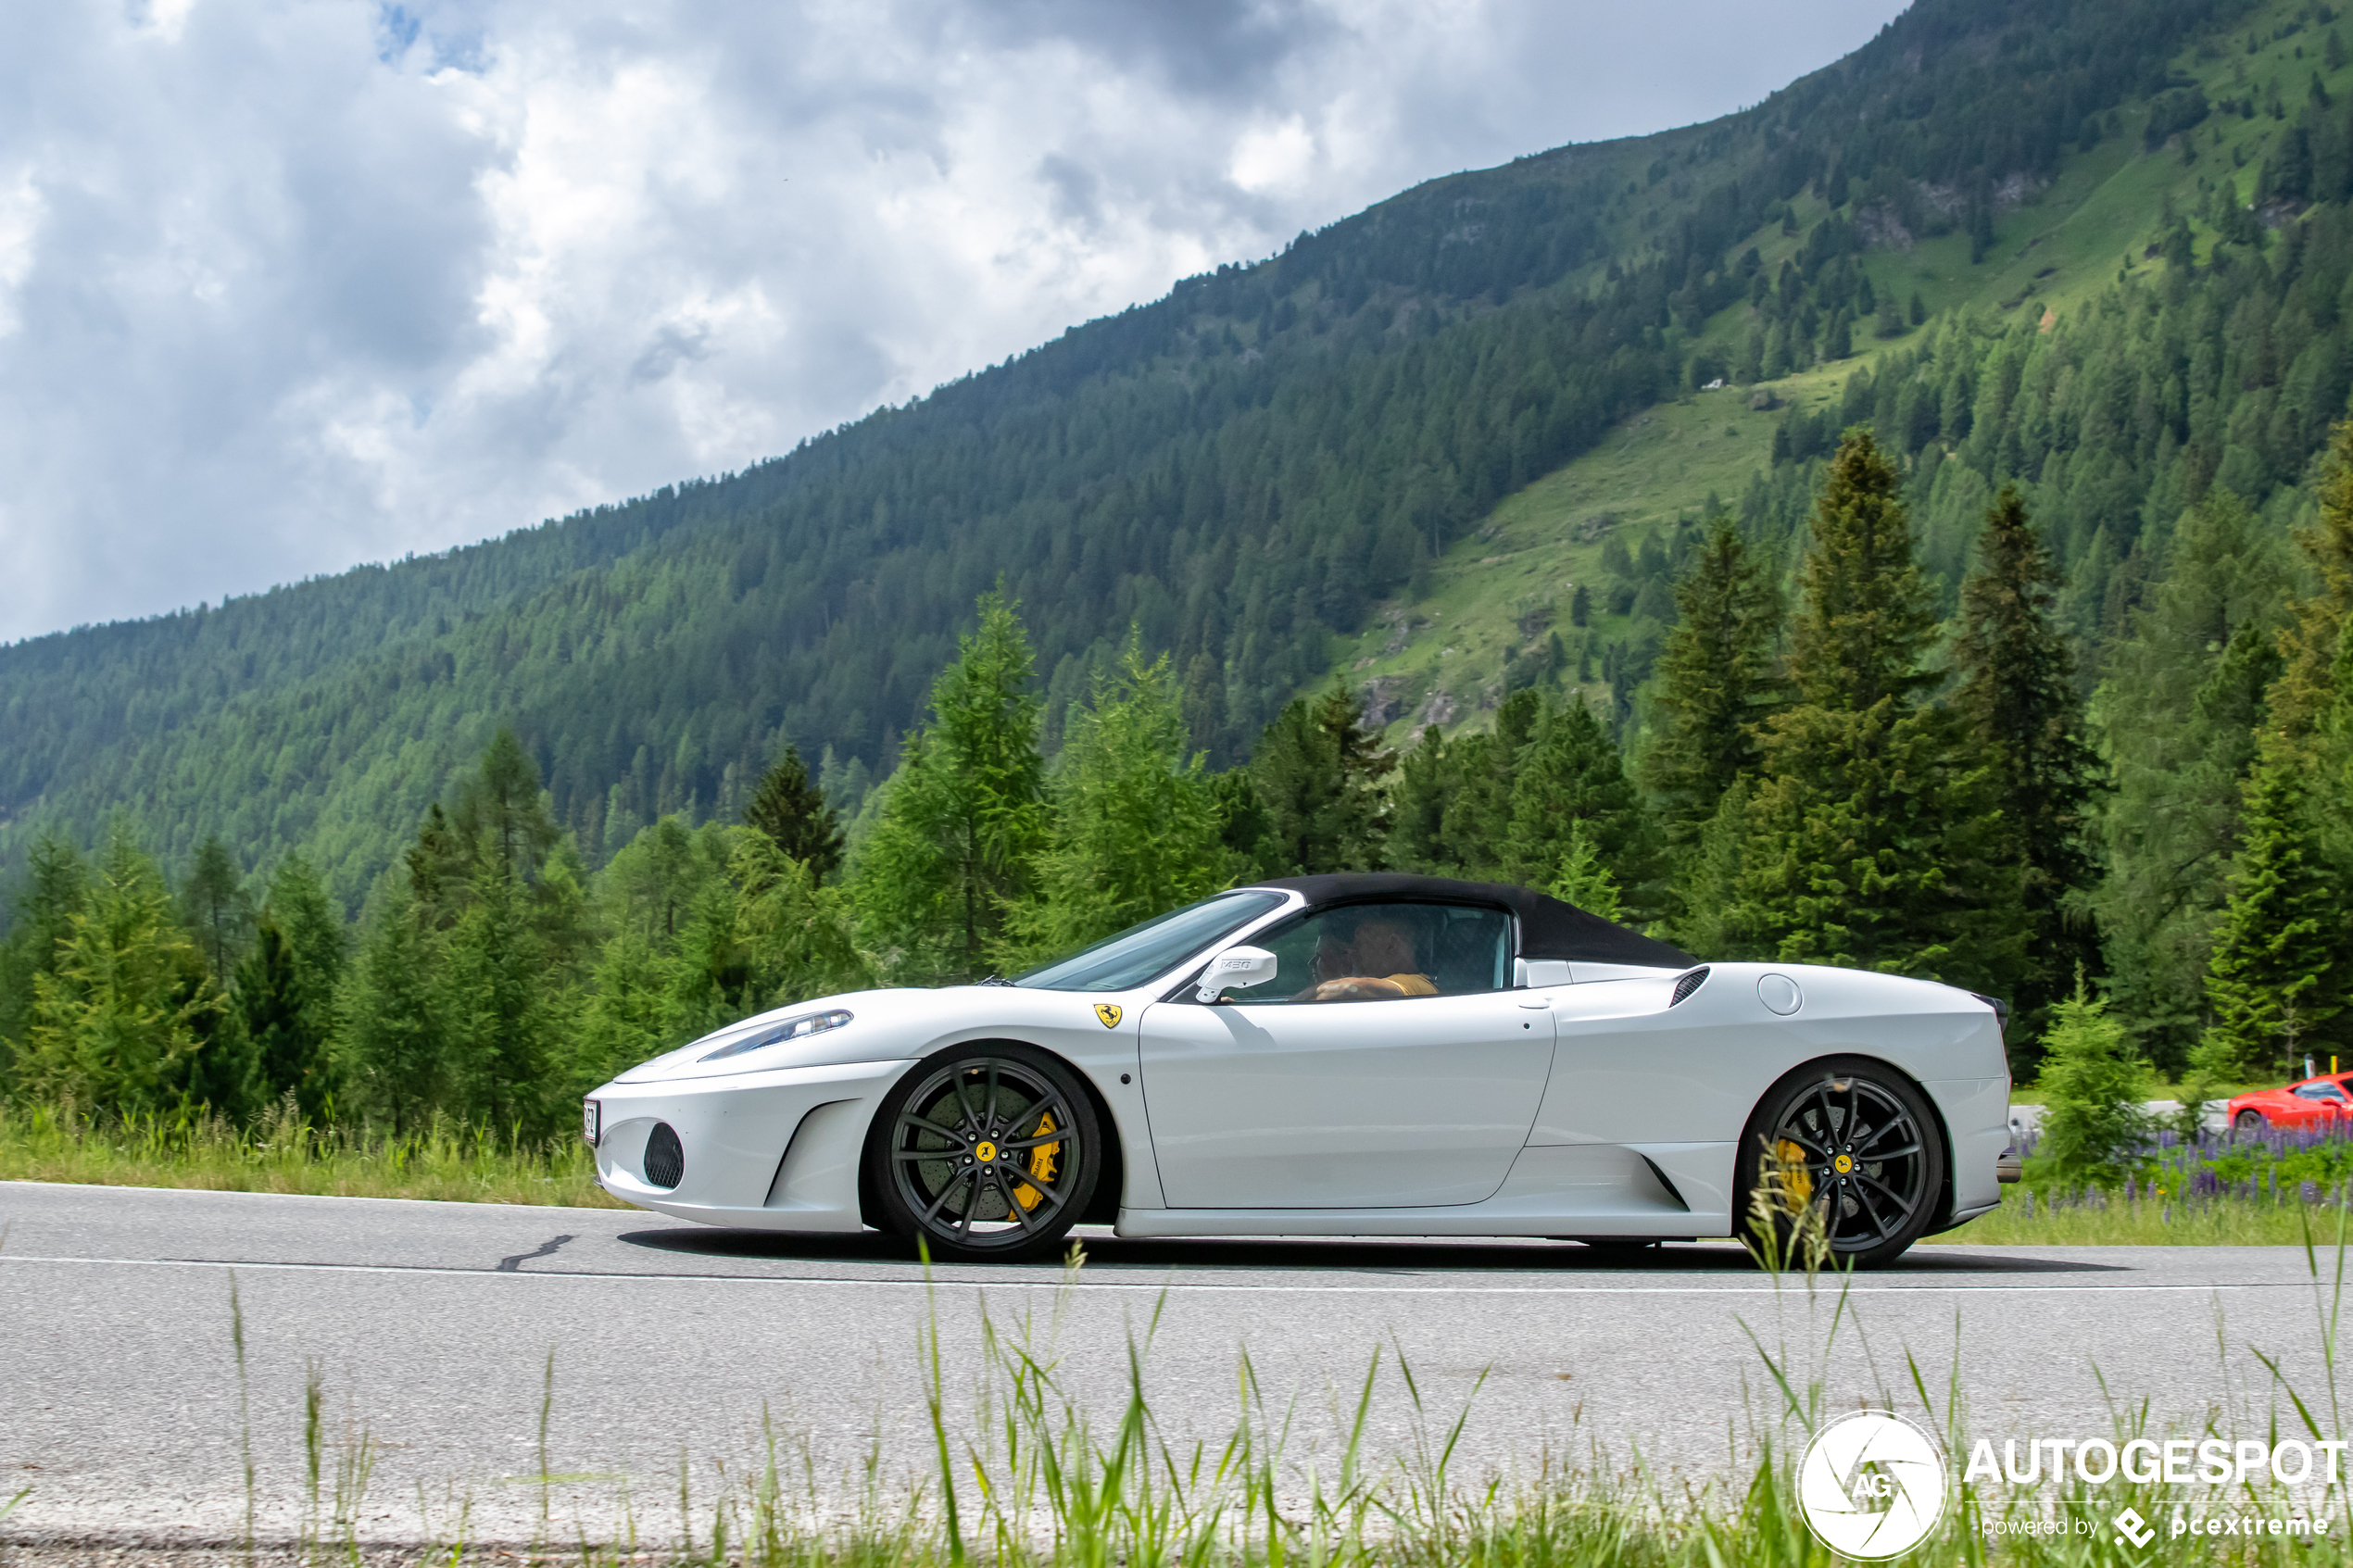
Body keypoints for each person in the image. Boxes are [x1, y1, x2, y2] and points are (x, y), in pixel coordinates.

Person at [1298, 913, 1438, 1001]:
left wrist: (1291, 1003)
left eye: (1361, 940)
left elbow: (1350, 989)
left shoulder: (1417, 985)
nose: (1353, 950)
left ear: (1391, 945)